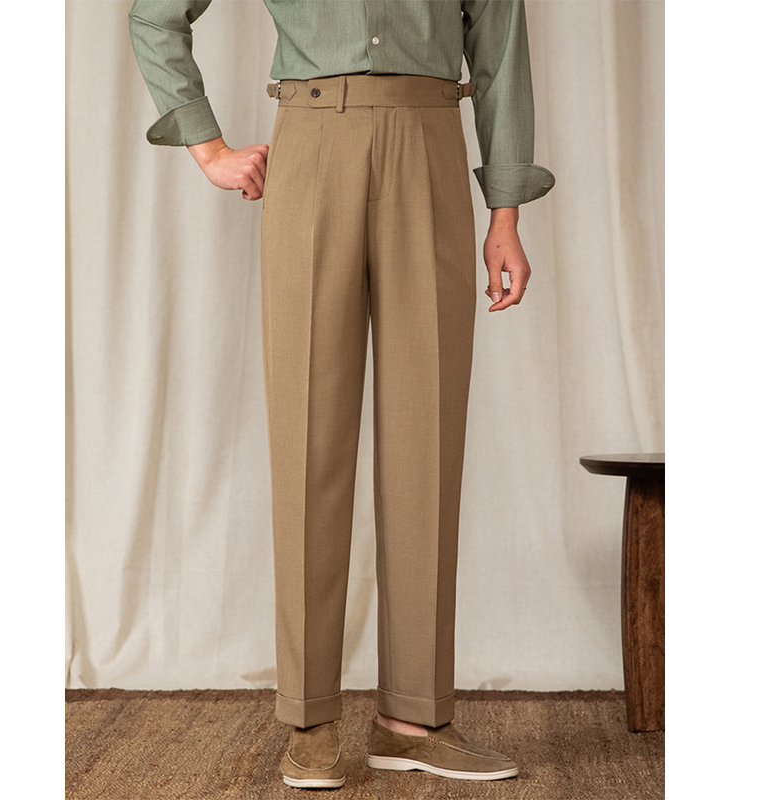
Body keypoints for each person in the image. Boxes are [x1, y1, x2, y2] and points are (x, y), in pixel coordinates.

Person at [129, 0, 554, 789]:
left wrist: (505, 213)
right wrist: (208, 146)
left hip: (430, 142)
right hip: (312, 144)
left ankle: (415, 718)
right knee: (309, 438)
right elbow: (155, 16)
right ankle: (310, 717)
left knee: (426, 441)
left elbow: (500, 54)